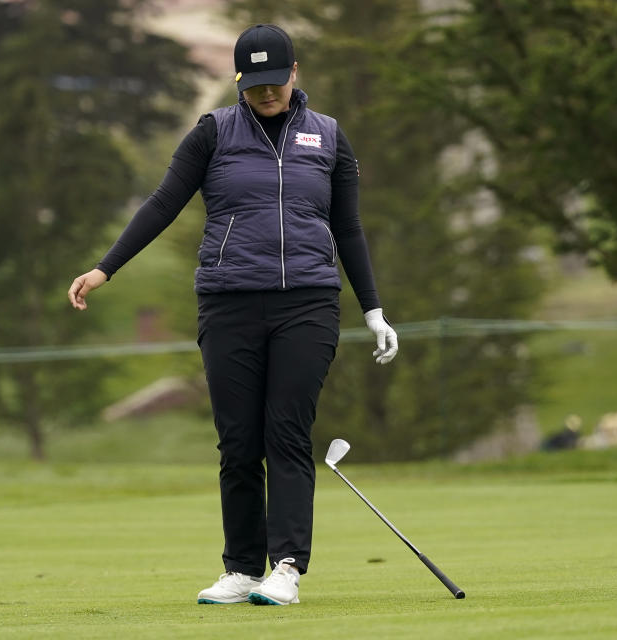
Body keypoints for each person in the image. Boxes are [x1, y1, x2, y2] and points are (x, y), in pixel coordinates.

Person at [67, 23, 398, 606]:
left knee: (286, 433)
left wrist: (372, 310)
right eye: (255, 85)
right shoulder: (213, 134)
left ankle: (287, 567)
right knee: (239, 440)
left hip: (308, 303)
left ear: (294, 74)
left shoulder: (328, 137)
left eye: (276, 82)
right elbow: (164, 202)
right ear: (239, 81)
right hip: (229, 303)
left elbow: (347, 227)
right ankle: (243, 569)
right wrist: (106, 268)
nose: (266, 94)